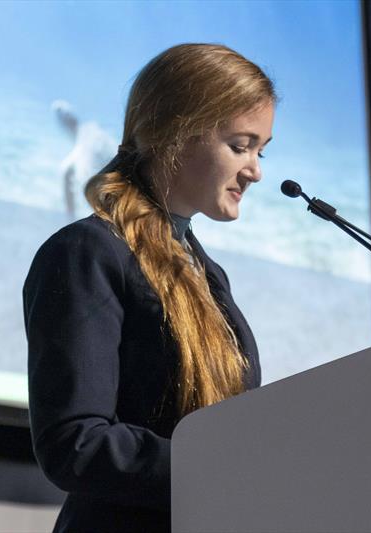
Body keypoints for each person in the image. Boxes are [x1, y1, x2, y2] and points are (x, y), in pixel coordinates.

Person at [22, 43, 275, 532]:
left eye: (261, 150)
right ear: (175, 132)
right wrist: (222, 472)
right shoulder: (87, 252)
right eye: (240, 146)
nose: (256, 171)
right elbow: (77, 443)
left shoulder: (208, 274)